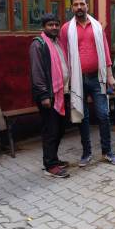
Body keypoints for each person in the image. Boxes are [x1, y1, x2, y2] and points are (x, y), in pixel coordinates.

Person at [60, 0, 115, 167]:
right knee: (82, 116)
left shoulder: (96, 26)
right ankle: (86, 154)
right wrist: (67, 81)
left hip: (97, 78)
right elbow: (64, 54)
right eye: (75, 4)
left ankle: (107, 152)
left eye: (82, 4)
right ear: (71, 7)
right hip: (77, 79)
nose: (79, 7)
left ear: (87, 5)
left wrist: (110, 75)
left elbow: (105, 50)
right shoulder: (66, 29)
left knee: (103, 115)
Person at [30, 13, 70, 178]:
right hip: (49, 96)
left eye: (56, 24)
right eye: (50, 25)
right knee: (51, 130)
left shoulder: (58, 43)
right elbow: (37, 72)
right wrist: (44, 95)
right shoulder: (38, 45)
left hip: (62, 93)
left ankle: (53, 158)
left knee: (60, 129)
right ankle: (50, 166)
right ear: (43, 27)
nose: (54, 27)